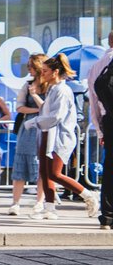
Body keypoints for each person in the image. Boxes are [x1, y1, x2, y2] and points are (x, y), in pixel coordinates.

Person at [32, 54, 100, 220]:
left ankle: (89, 196)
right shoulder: (52, 89)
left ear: (55, 72)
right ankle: (49, 208)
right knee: (45, 172)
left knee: (54, 173)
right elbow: (48, 112)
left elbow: (57, 116)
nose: (42, 74)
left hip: (60, 136)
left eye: (45, 71)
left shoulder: (63, 90)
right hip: (48, 133)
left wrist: (33, 122)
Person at [9, 53, 47, 216]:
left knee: (42, 166)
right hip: (28, 128)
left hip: (44, 127)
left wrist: (36, 99)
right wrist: (37, 110)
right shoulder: (28, 85)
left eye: (31, 66)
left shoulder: (51, 86)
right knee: (21, 165)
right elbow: (19, 107)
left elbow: (48, 108)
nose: (29, 69)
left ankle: (39, 202)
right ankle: (15, 202)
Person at [87, 31, 113, 229]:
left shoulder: (97, 66)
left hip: (109, 119)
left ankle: (108, 216)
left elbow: (94, 103)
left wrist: (100, 130)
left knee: (110, 167)